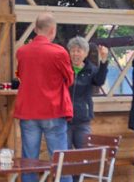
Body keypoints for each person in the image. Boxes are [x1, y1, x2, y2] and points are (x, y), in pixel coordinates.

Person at [14, 13, 73, 182]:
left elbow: (21, 76)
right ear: (53, 30)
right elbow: (69, 79)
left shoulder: (22, 52)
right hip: (53, 109)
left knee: (29, 161)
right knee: (59, 161)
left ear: (35, 29)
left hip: (28, 110)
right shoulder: (59, 52)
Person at [67, 38, 109, 149]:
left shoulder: (92, 69)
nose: (75, 54)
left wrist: (103, 61)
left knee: (85, 153)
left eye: (79, 51)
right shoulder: (64, 68)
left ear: (85, 53)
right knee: (63, 153)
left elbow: (99, 81)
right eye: (72, 50)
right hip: (64, 119)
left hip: (82, 119)